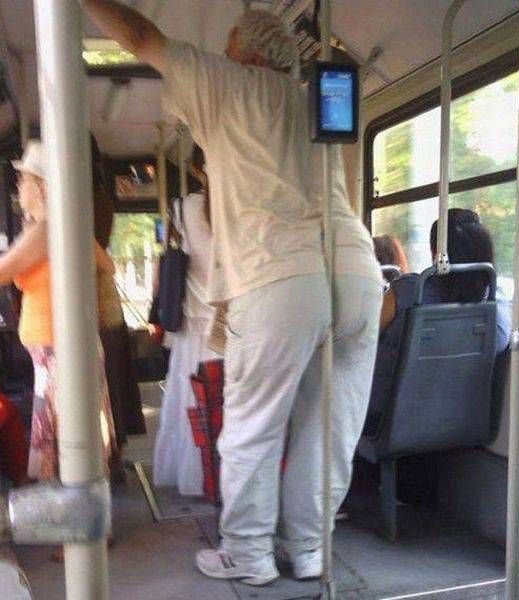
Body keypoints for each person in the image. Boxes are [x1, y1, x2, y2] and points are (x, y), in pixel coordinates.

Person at [82, 3, 382, 585]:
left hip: (281, 276)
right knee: (330, 426)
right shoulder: (317, 99)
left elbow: (140, 34)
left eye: (226, 47)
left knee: (253, 426)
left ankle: (248, 553)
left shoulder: (230, 83)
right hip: (356, 271)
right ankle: (310, 548)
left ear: (244, 53)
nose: (221, 55)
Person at [0, 140, 117, 483]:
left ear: (42, 187)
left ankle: (76, 510)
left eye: (24, 179)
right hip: (65, 345)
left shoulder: (46, 230)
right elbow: (107, 265)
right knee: (77, 433)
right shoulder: (64, 226)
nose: (18, 186)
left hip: (57, 347)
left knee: (66, 438)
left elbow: (4, 271)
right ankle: (85, 506)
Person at [365, 208, 511, 436]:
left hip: (386, 418)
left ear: (436, 253)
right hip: (462, 422)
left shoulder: (408, 292)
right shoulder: (497, 307)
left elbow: (364, 334)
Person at [153, 147, 219, 496]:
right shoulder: (239, 206)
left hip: (194, 324)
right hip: (231, 322)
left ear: (195, 169)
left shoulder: (181, 209)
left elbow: (167, 263)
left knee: (190, 399)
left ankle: (195, 475)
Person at [91, 135, 146, 457]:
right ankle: (114, 450)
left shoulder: (82, 202)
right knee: (111, 374)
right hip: (104, 295)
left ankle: (107, 454)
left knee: (102, 378)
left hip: (92, 295)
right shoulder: (101, 198)